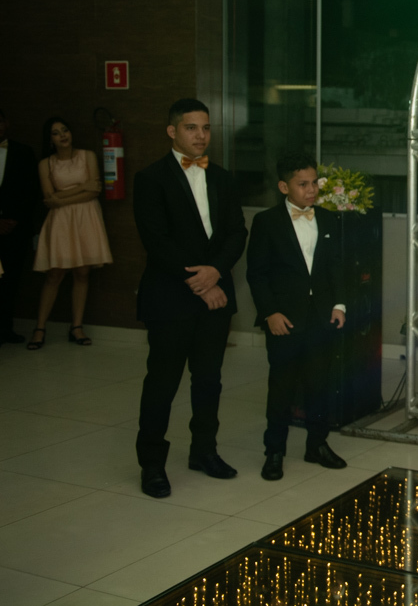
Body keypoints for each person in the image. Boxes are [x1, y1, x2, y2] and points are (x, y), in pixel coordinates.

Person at [133, 98, 248, 499]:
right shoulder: (150, 178)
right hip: (171, 297)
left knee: (209, 380)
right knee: (162, 383)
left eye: (206, 128)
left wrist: (215, 271)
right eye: (191, 128)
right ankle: (151, 464)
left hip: (215, 297)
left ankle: (204, 451)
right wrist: (202, 281)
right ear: (172, 131)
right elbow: (156, 241)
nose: (201, 136)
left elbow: (237, 232)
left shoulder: (223, 178)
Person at [246, 151, 349, 481]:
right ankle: (274, 450)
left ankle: (317, 444)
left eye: (314, 183)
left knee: (319, 385)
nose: (311, 190)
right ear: (283, 186)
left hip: (320, 317)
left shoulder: (329, 219)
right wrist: (270, 313)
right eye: (302, 184)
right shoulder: (266, 222)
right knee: (282, 388)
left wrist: (339, 305)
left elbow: (336, 267)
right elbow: (257, 274)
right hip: (285, 319)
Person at [29, 117, 113, 349]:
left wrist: (61, 197)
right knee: (55, 273)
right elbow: (48, 198)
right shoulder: (45, 164)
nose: (62, 135)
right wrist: (81, 187)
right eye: (56, 133)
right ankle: (39, 328)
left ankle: (77, 327)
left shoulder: (88, 156)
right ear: (50, 140)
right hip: (60, 221)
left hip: (86, 216)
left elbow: (94, 190)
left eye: (65, 130)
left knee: (82, 272)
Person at [0, 108, 41, 347]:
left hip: (15, 229)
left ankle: (6, 328)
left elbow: (31, 190)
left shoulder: (23, 152)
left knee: (11, 281)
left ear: (6, 123)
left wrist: (14, 220)